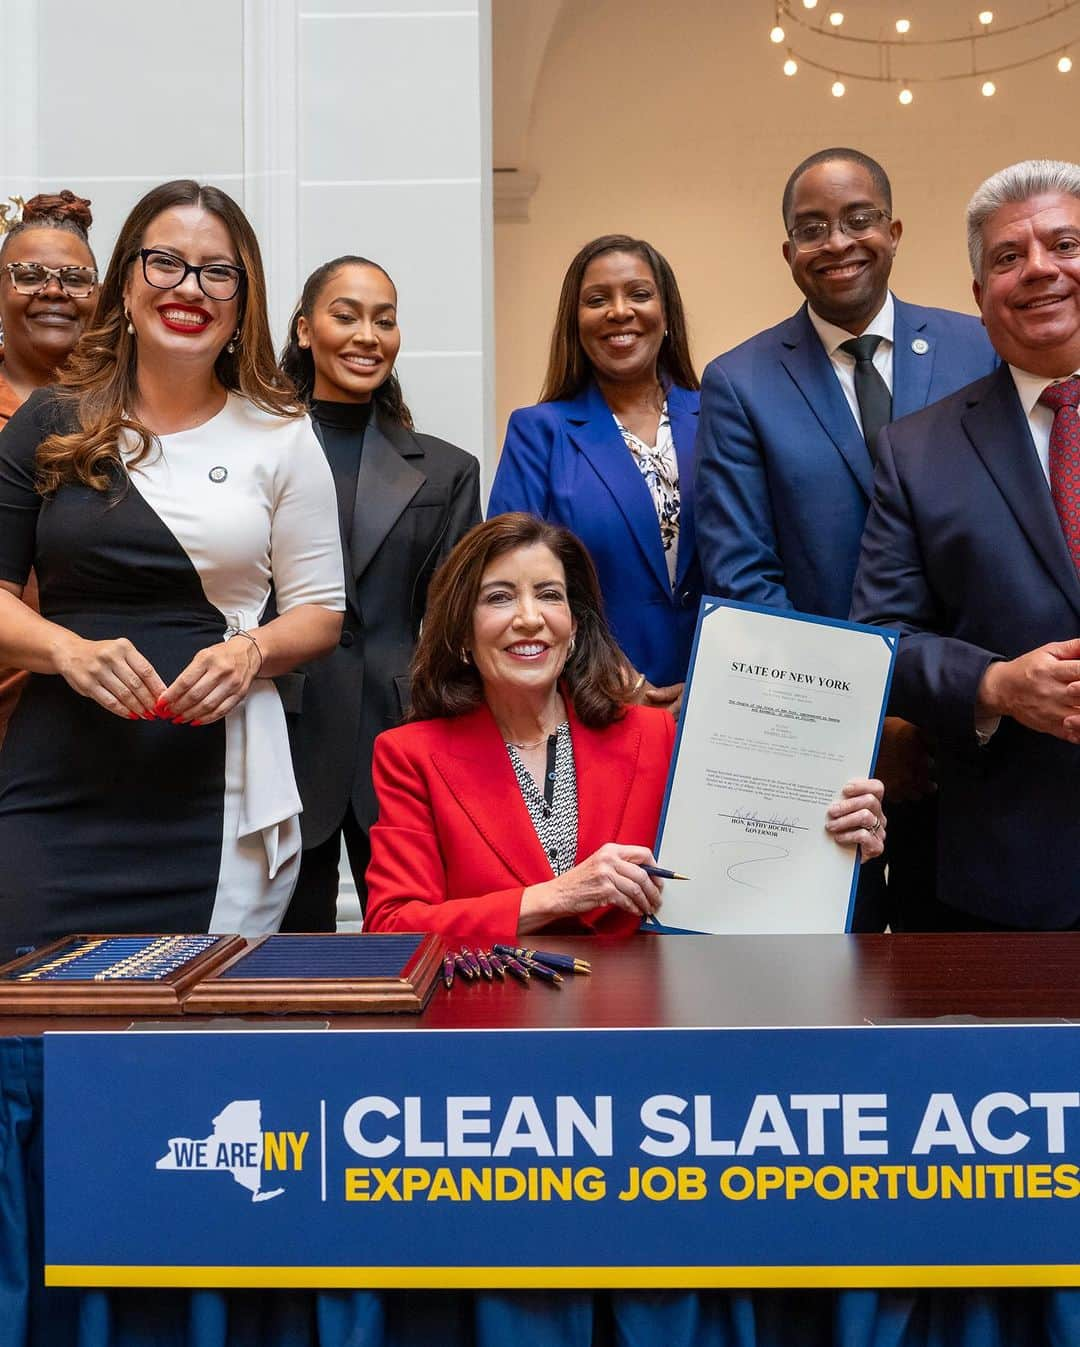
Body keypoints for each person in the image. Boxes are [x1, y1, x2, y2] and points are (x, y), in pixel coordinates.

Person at [0, 179, 345, 959]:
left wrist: (251, 650)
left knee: (184, 1037)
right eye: (165, 263)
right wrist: (66, 650)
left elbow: (322, 609)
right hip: (57, 782)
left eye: (216, 271)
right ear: (125, 281)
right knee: (26, 1028)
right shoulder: (49, 422)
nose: (189, 288)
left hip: (216, 793)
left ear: (241, 300)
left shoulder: (281, 434)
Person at [694, 147, 998, 931]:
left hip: (980, 738)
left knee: (962, 987)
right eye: (813, 227)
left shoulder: (979, 347)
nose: (838, 242)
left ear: (894, 231)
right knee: (835, 984)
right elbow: (744, 579)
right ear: (788, 250)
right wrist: (861, 724)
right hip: (819, 755)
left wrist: (936, 706)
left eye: (859, 220)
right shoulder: (740, 380)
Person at [364, 513, 886, 943]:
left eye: (549, 595)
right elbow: (393, 927)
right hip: (494, 1028)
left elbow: (737, 860)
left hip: (646, 1022)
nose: (529, 617)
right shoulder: (410, 754)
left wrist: (832, 837)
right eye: (499, 597)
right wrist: (556, 896)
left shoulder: (652, 735)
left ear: (573, 628)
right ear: (461, 633)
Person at [852, 158, 1080, 930]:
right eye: (1008, 258)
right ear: (980, 297)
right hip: (1004, 870)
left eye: (1064, 244)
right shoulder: (916, 451)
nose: (1039, 270)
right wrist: (997, 684)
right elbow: (883, 638)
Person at [276, 255, 481, 929]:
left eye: (384, 320)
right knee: (282, 973)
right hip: (278, 733)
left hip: (399, 739)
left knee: (417, 958)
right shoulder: (255, 447)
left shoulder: (447, 470)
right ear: (306, 330)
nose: (368, 335)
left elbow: (456, 628)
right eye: (347, 315)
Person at [488, 235, 702, 714]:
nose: (619, 312)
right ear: (575, 322)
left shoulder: (722, 417)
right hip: (591, 699)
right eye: (597, 300)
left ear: (667, 314)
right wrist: (605, 670)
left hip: (717, 704)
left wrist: (715, 679)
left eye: (639, 295)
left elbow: (757, 560)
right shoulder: (539, 432)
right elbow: (510, 575)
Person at [0, 190, 99, 742]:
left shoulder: (136, 410)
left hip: (98, 707)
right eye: (28, 274)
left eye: (75, 278)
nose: (54, 291)